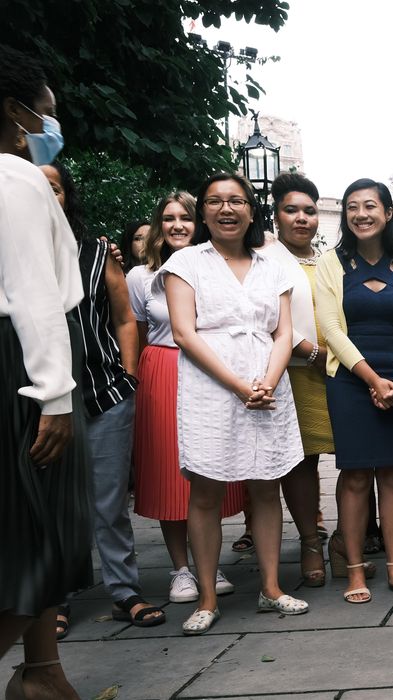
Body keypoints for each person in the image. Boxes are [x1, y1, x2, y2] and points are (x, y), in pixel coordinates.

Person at [163, 173, 308, 634]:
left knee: (266, 485)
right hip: (211, 388)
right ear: (204, 211)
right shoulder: (187, 262)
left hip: (269, 385)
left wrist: (266, 379)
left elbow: (284, 332)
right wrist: (239, 386)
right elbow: (184, 333)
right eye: (215, 202)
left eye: (236, 201)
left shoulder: (273, 266)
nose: (227, 209)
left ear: (250, 209)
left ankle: (271, 588)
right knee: (206, 491)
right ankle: (207, 597)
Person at [39, 162, 164, 638]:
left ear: (69, 196)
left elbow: (124, 318)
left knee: (110, 500)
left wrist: (128, 376)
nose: (49, 197)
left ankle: (123, 591)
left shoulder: (95, 253)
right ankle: (55, 599)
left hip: (104, 392)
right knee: (51, 503)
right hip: (39, 398)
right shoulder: (12, 250)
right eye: (40, 188)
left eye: (56, 189)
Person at [0, 46, 91, 697]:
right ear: (15, 111)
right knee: (36, 541)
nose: (50, 128)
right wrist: (55, 395)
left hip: (18, 363)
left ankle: (42, 673)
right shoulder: (16, 177)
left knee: (30, 533)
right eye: (45, 114)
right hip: (26, 369)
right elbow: (32, 292)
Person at [129, 192, 244, 606]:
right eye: (169, 218)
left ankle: (207, 563)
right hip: (162, 371)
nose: (178, 225)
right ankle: (180, 570)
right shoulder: (142, 277)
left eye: (187, 218)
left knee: (207, 468)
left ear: (200, 224)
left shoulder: (214, 270)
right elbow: (138, 330)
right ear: (160, 225)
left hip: (210, 369)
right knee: (167, 472)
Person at [316, 178, 393, 604]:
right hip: (349, 380)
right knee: (356, 475)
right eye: (352, 207)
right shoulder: (332, 263)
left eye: (370, 206)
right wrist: (372, 380)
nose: (361, 214)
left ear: (388, 213)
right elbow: (330, 329)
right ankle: (355, 571)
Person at [261, 172, 332, 587]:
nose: (301, 218)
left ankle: (358, 538)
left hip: (337, 369)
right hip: (296, 372)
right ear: (276, 216)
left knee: (356, 458)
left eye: (309, 211)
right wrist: (311, 352)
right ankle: (310, 542)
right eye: (292, 210)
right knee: (304, 461)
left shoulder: (327, 260)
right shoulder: (266, 260)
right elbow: (268, 319)